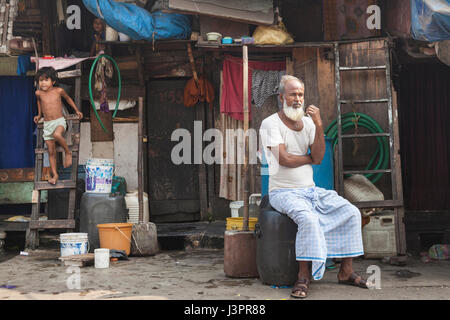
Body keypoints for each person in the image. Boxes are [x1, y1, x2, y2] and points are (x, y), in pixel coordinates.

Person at [259, 75, 370, 299]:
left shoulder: (309, 123)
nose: (298, 99)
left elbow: (319, 156)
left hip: (310, 190)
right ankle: (303, 276)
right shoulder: (270, 123)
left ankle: (345, 270)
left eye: (301, 94)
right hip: (282, 192)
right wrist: (308, 159)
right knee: (308, 219)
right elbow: (284, 159)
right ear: (281, 97)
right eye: (293, 94)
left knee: (351, 212)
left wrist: (319, 124)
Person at [34, 67, 83, 185]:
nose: (43, 83)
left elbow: (68, 99)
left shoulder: (58, 91)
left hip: (59, 122)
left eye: (46, 80)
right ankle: (55, 175)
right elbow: (39, 103)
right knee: (51, 151)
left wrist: (77, 110)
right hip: (47, 125)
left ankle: (68, 152)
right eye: (40, 81)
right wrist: (39, 115)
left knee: (57, 135)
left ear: (53, 81)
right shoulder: (38, 93)